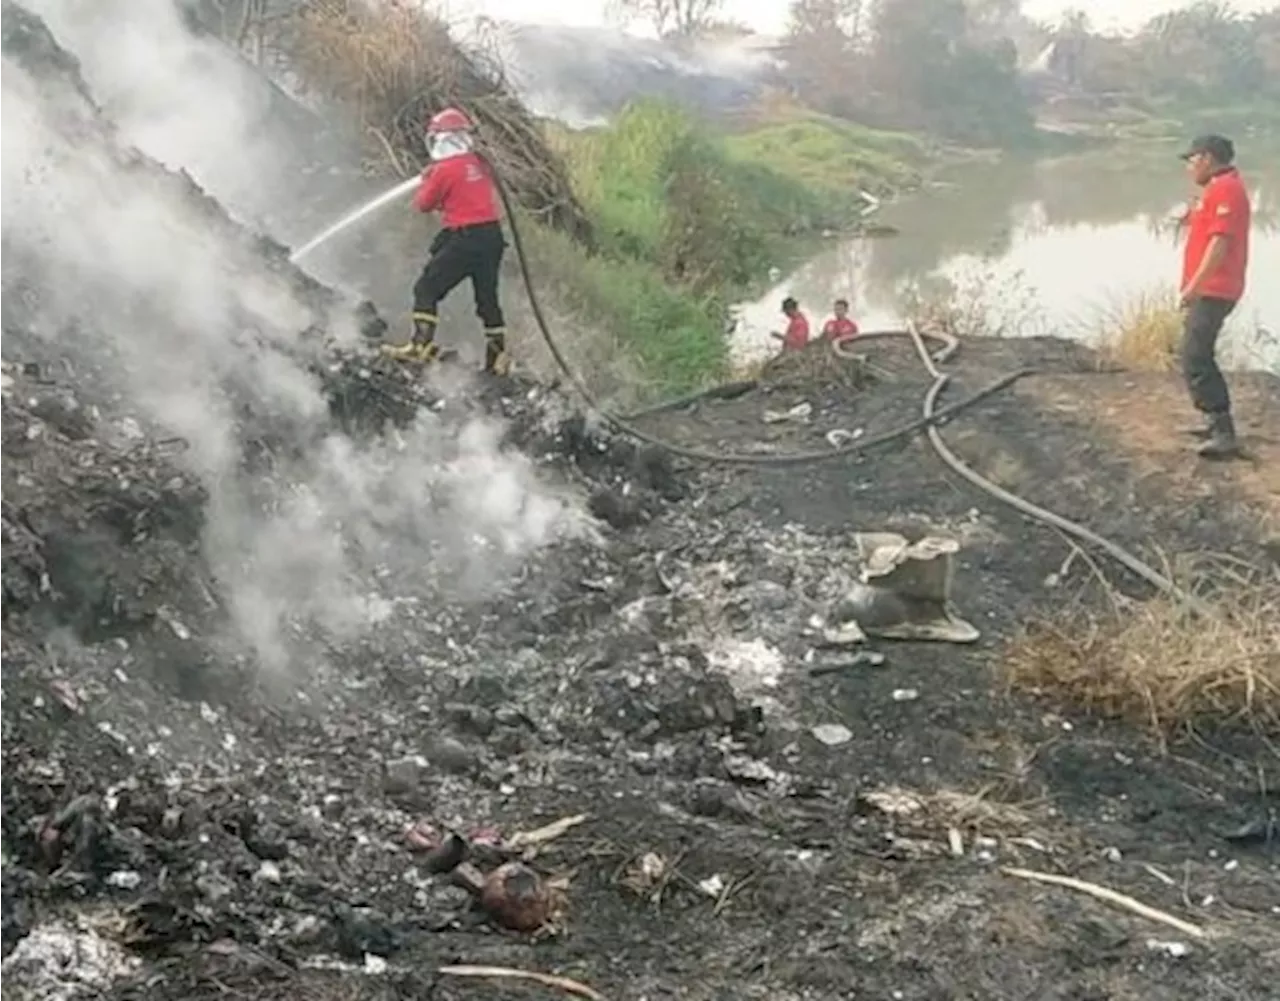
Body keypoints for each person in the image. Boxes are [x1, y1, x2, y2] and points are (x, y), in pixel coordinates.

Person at [383, 106, 510, 376]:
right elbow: (468, 193)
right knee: (487, 299)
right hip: (492, 237)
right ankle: (498, 359)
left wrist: (428, 180)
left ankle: (420, 345)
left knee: (426, 288)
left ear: (440, 139)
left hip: (465, 239)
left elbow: (423, 205)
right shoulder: (479, 163)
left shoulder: (444, 170)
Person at [1177, 134, 1250, 459]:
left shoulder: (1226, 189)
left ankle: (1224, 431)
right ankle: (1213, 420)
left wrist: (1194, 286)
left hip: (1215, 288)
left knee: (1196, 355)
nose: (1190, 168)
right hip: (1211, 287)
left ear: (1207, 158)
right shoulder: (1217, 188)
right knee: (1196, 351)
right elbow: (1208, 226)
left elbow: (1219, 244)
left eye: (1192, 161)